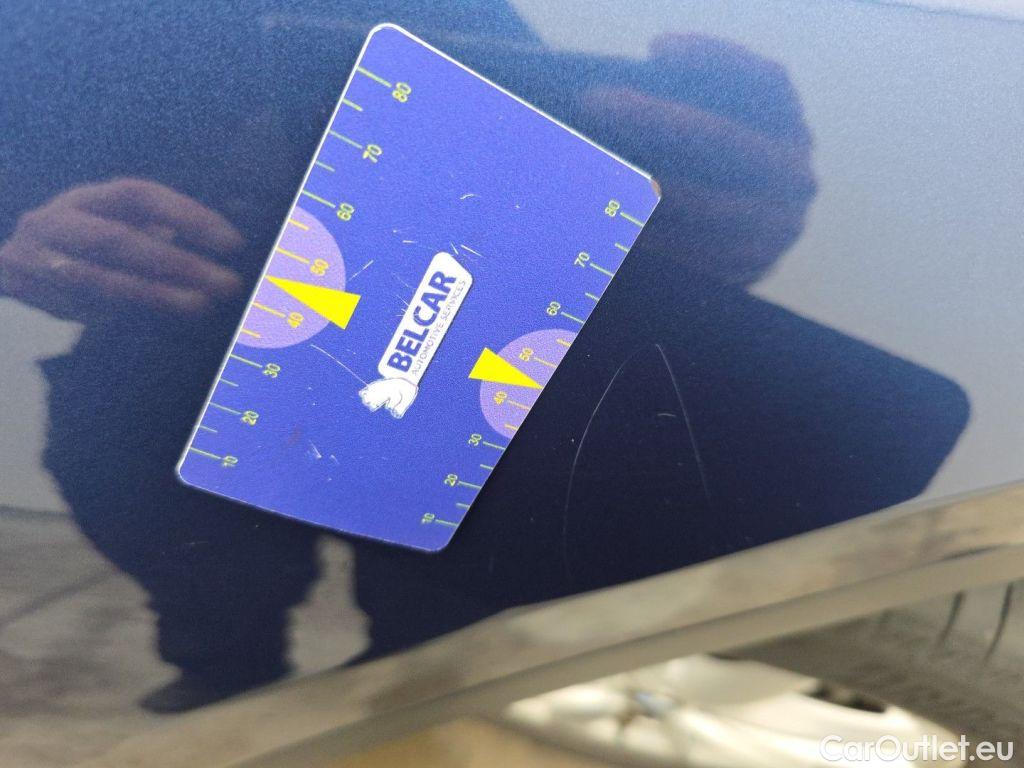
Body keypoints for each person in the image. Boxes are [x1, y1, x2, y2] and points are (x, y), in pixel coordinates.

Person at [0, 0, 966, 710]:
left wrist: (705, 230)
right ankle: (224, 662)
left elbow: (542, 176)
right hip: (168, 331)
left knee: (444, 581)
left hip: (442, 334)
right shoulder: (39, 26)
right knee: (154, 509)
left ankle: (414, 680)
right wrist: (18, 247)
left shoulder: (451, 9)